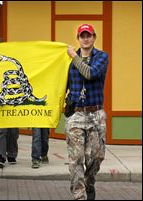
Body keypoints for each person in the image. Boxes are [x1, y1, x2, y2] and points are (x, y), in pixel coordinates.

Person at [66, 24, 108, 200]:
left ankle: (89, 183)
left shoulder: (102, 57)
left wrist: (74, 56)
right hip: (76, 114)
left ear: (94, 37)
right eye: (82, 36)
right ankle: (79, 195)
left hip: (96, 115)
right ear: (78, 38)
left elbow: (90, 74)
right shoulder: (67, 61)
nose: (85, 38)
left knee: (96, 158)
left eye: (88, 35)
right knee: (76, 159)